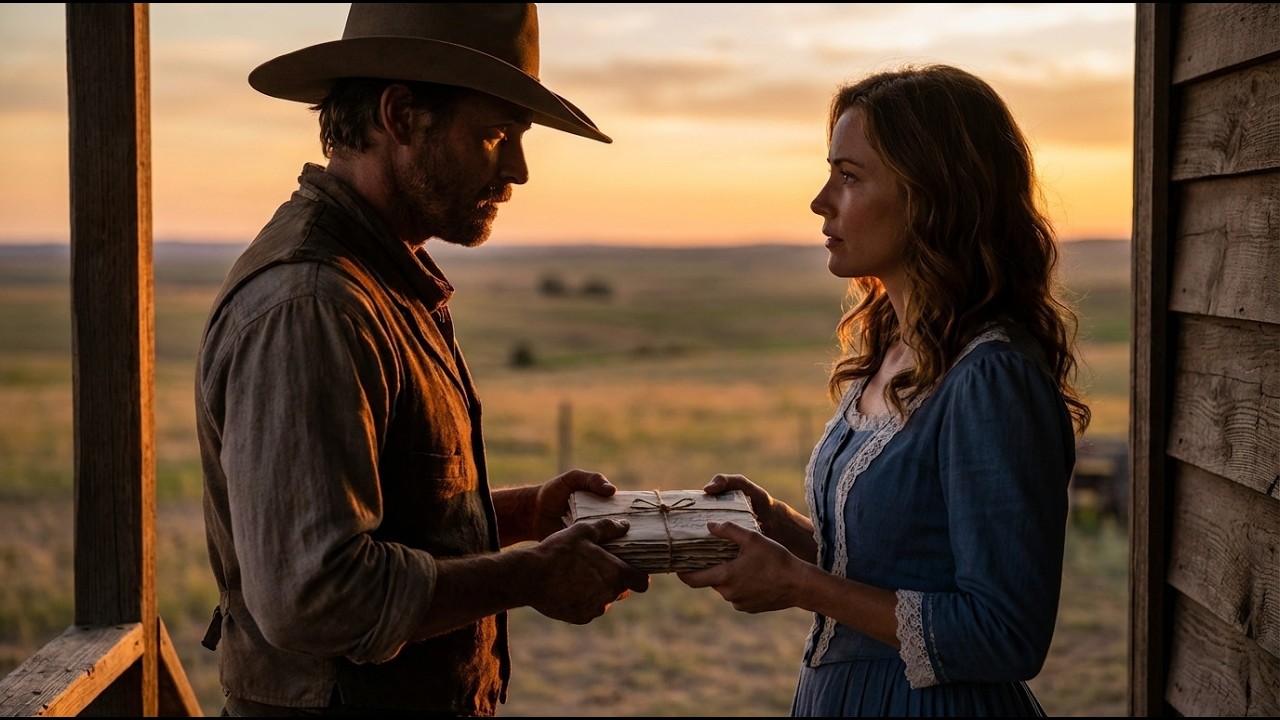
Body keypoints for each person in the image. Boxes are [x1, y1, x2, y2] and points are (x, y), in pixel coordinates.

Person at [194, 4, 649, 716]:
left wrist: (522, 515)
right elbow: (314, 594)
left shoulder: (379, 280)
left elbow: (382, 519)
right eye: (496, 135)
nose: (518, 170)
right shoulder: (313, 303)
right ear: (401, 115)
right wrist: (528, 576)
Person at [677, 63, 1092, 717]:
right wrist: (781, 529)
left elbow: (1005, 634)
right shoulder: (894, 350)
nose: (821, 200)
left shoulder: (991, 379)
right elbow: (899, 567)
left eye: (849, 176)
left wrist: (800, 586)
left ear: (932, 195)